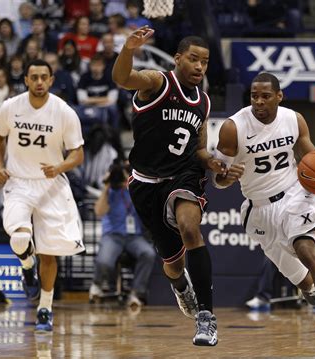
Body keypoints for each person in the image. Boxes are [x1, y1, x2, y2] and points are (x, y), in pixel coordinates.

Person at [214, 72, 315, 353]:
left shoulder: (294, 119)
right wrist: (226, 177)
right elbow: (218, 180)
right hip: (260, 208)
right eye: (254, 96)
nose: (258, 101)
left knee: (306, 249)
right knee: (299, 277)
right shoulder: (233, 128)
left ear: (279, 96)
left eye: (265, 96)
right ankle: (309, 286)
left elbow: (311, 158)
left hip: (297, 195)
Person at [112, 26, 225, 346]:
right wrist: (128, 49)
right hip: (146, 183)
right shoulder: (158, 82)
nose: (200, 67)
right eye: (193, 59)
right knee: (173, 265)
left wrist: (212, 162)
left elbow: (200, 150)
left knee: (191, 228)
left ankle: (206, 317)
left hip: (183, 174)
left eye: (205, 62)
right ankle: (180, 287)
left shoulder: (202, 102)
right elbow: (122, 78)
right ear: (178, 59)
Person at [0, 59, 85, 332]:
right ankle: (26, 263)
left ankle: (45, 308)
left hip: (51, 184)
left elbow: (78, 153)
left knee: (49, 253)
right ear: (26, 80)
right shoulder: (10, 107)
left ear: (52, 80)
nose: (40, 82)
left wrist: (61, 166)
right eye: (34, 77)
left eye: (44, 77)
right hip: (19, 181)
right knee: (20, 237)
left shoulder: (64, 112)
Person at [90, 162, 156, 307]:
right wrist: (107, 186)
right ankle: (97, 285)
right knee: (105, 261)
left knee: (148, 253)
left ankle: (137, 293)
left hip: (134, 237)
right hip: (112, 236)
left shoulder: (134, 190)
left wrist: (130, 182)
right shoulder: (109, 192)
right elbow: (99, 212)